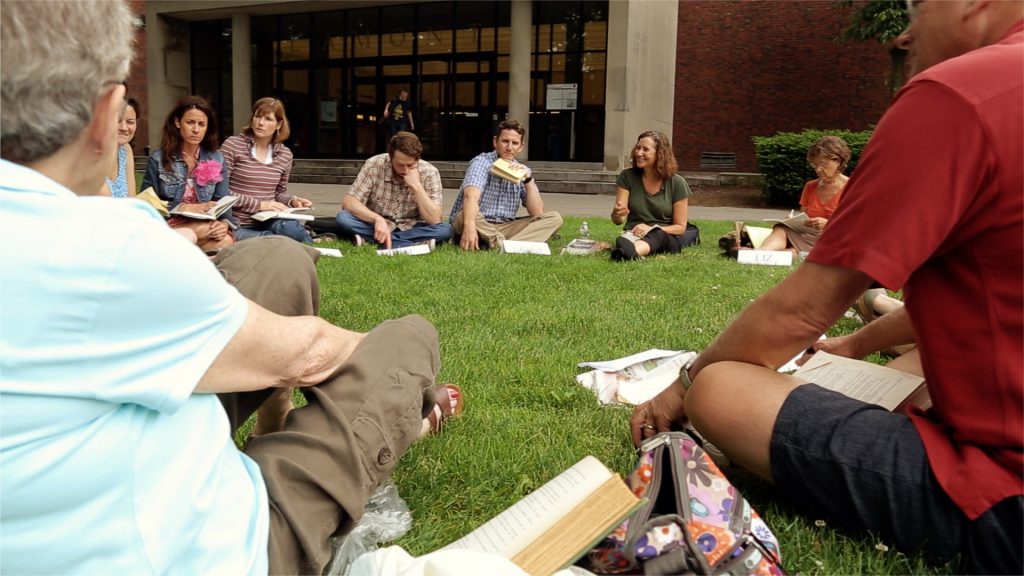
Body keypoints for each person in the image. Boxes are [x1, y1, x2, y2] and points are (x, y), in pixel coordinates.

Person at [0, 2, 462, 574]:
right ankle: (387, 409)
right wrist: (396, 376)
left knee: (279, 254)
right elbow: (310, 351)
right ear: (104, 115)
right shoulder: (102, 250)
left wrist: (194, 237)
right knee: (409, 338)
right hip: (208, 550)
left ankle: (274, 412)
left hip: (102, 462)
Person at [631, 2, 1023, 573]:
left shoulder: (958, 95)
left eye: (918, 6)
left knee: (721, 389)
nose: (904, 34)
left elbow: (803, 309)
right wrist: (853, 346)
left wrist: (685, 383)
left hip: (1002, 495)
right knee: (914, 359)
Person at [449, 119, 563, 251]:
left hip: (506, 226)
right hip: (477, 221)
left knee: (554, 218)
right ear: (495, 142)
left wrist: (528, 180)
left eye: (514, 143)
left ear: (521, 147)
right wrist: (469, 226)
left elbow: (537, 212)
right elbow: (470, 198)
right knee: (464, 215)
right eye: (505, 141)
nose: (509, 147)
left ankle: (501, 245)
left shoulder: (522, 170)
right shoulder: (481, 162)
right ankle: (510, 245)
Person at [142, 95, 235, 253]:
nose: (196, 130)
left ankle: (187, 258)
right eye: (190, 122)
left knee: (225, 239)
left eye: (202, 124)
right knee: (195, 234)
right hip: (170, 224)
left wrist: (224, 224)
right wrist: (184, 207)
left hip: (206, 225)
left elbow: (222, 201)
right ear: (178, 123)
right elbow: (147, 203)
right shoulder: (158, 158)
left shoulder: (217, 158)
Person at [335, 131, 452, 249]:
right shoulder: (374, 164)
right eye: (400, 165)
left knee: (445, 230)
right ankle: (410, 244)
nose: (405, 171)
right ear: (390, 157)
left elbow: (435, 219)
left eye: (410, 165)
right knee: (343, 218)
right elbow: (349, 202)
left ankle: (377, 240)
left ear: (418, 160)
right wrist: (377, 219)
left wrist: (417, 187)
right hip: (375, 225)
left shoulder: (430, 172)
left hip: (412, 227)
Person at [222, 97, 313, 244]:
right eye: (257, 116)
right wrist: (259, 205)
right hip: (237, 221)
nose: (261, 123)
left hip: (269, 218)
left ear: (279, 124)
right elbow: (221, 192)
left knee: (290, 229)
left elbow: (279, 193)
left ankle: (305, 242)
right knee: (270, 240)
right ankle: (301, 240)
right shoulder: (233, 145)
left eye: (268, 119)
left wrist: (293, 200)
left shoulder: (285, 154)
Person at [609, 131, 698, 261]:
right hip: (634, 234)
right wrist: (617, 213)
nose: (639, 153)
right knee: (623, 239)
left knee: (657, 235)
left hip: (665, 236)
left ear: (660, 154)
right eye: (638, 148)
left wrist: (651, 228)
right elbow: (618, 221)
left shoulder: (677, 183)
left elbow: (680, 228)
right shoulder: (627, 176)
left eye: (645, 149)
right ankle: (628, 252)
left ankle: (629, 252)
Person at [755, 135, 851, 255]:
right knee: (781, 228)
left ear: (837, 161)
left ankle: (791, 254)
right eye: (815, 165)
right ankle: (761, 253)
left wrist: (828, 223)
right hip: (809, 236)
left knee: (795, 251)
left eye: (823, 164)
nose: (818, 169)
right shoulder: (811, 186)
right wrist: (793, 221)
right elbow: (803, 216)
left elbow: (857, 225)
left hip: (835, 239)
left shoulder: (852, 188)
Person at [102, 93, 139, 198]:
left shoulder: (126, 149)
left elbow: (132, 199)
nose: (124, 127)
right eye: (118, 121)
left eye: (130, 122)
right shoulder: (90, 153)